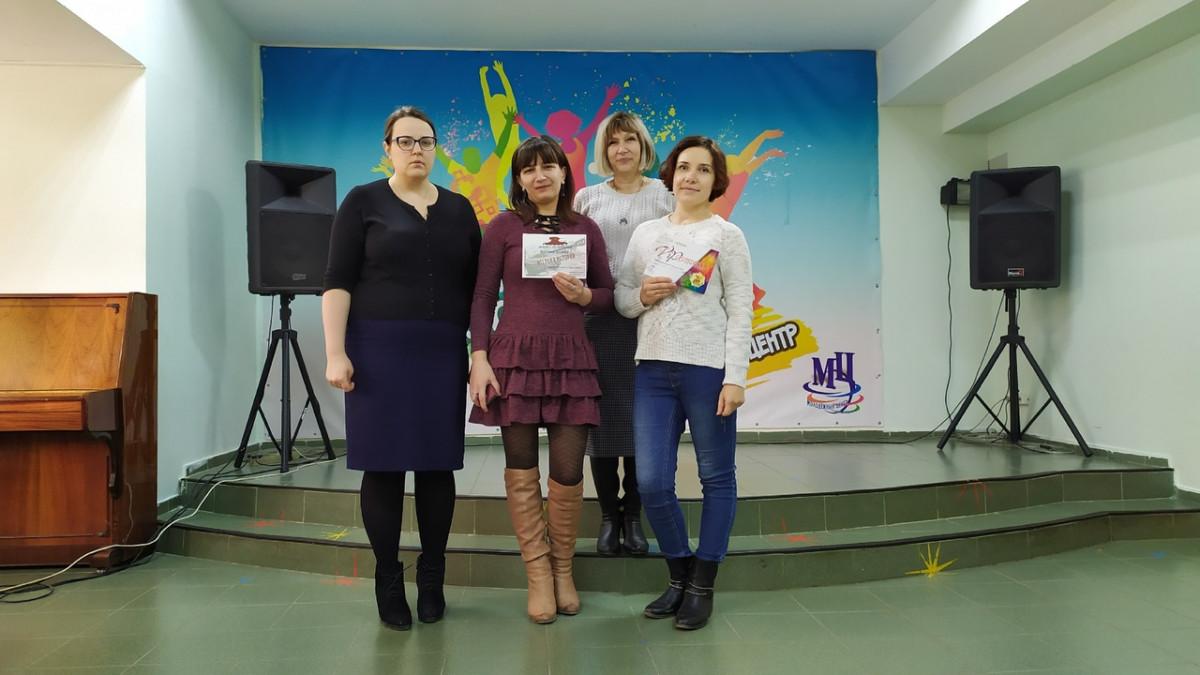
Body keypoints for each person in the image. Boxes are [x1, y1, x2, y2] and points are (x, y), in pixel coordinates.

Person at [322, 106, 481, 631]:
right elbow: (337, 280)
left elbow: (478, 291)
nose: (417, 150)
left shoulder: (459, 209)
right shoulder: (362, 201)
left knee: (437, 468)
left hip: (442, 352)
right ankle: (388, 579)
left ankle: (432, 576)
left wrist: (480, 353)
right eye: (406, 141)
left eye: (426, 141)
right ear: (387, 148)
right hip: (377, 351)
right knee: (384, 469)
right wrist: (335, 352)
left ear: (436, 150)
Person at [468, 135, 614, 624]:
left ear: (563, 173)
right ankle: (538, 574)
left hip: (571, 357)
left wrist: (583, 297)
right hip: (514, 359)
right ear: (519, 180)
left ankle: (563, 570)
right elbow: (483, 295)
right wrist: (479, 356)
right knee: (522, 467)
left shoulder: (585, 228)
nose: (540, 175)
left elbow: (608, 294)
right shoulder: (503, 227)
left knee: (568, 472)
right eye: (528, 169)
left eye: (548, 166)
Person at [614, 135, 754, 631]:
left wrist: (735, 378)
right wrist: (642, 297)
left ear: (716, 181)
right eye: (684, 167)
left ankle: (702, 585)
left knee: (716, 477)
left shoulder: (727, 235)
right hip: (652, 370)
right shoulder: (647, 233)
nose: (691, 176)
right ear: (670, 175)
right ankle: (679, 573)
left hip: (708, 371)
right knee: (651, 482)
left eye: (703, 169)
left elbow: (741, 309)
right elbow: (623, 297)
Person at [573, 111, 674, 556]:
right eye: (613, 142)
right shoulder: (586, 198)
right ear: (604, 151)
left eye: (630, 140)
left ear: (643, 146)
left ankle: (633, 515)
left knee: (641, 420)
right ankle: (608, 517)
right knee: (601, 420)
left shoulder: (665, 197)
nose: (622, 149)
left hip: (650, 319)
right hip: (597, 320)